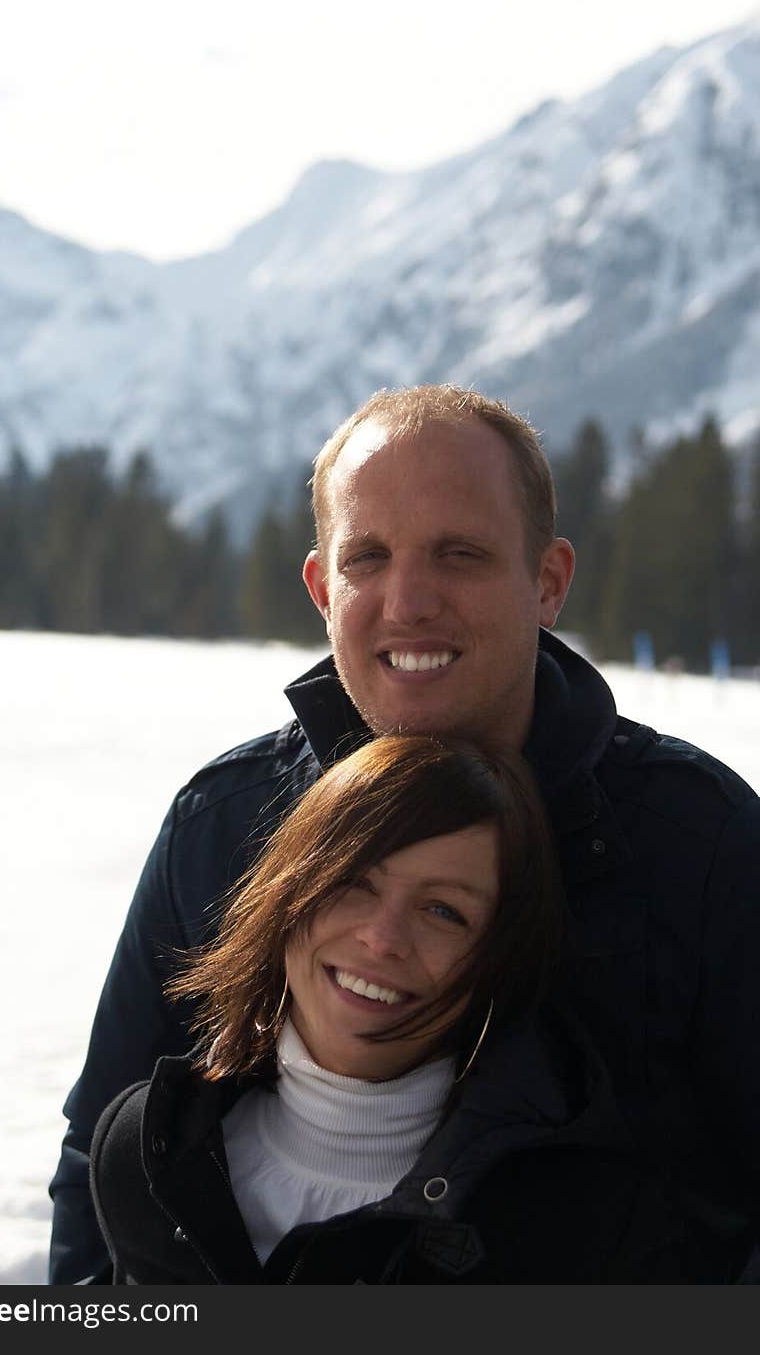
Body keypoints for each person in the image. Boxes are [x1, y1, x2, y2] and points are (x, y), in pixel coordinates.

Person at [49, 384, 760, 1284]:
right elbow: (105, 1149)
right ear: (319, 587)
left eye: (459, 554)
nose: (408, 600)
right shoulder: (224, 824)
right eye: (368, 558)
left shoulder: (700, 845)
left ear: (548, 581)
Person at [89, 736, 751, 1283]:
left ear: (499, 957)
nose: (381, 939)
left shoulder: (579, 1221)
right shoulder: (148, 1147)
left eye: (443, 911)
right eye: (353, 881)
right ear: (283, 895)